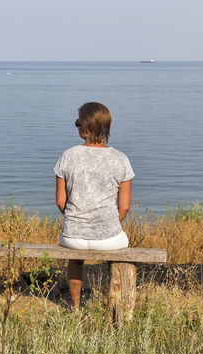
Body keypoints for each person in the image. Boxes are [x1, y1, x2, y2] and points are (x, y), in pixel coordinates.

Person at [53, 102, 134, 311]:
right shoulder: (120, 159)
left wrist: (77, 218)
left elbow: (61, 201)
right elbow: (124, 207)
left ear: (86, 129)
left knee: (75, 258)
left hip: (73, 237)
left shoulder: (68, 156)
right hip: (108, 237)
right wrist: (104, 224)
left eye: (78, 123)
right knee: (121, 242)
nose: (77, 127)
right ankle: (115, 305)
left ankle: (75, 306)